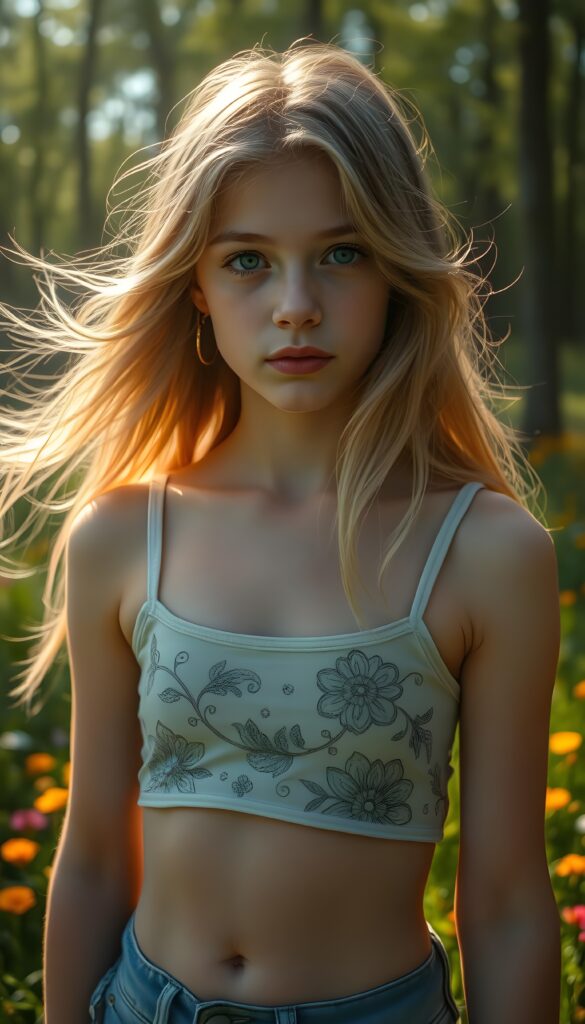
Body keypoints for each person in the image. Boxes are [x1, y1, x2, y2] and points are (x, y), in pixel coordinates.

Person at [0, 38, 561, 1024]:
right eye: (248, 261)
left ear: (396, 272)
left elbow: (508, 904)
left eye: (342, 254)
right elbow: (90, 859)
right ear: (196, 287)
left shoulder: (487, 552)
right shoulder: (120, 538)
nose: (296, 307)